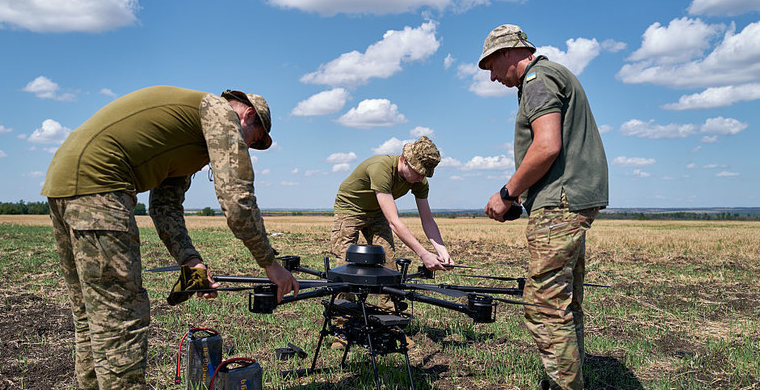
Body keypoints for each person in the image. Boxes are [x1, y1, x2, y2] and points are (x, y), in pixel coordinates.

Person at [41, 86, 300, 390]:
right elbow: (237, 201)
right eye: (249, 142)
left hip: (63, 184)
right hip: (100, 187)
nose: (242, 148)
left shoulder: (190, 132)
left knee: (93, 316)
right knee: (121, 317)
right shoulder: (220, 113)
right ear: (248, 116)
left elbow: (164, 206)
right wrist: (272, 265)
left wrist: (191, 261)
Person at [478, 25, 608, 390]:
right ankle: (567, 379)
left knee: (544, 305)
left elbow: (547, 145)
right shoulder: (555, 74)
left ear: (507, 52)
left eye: (490, 65)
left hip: (559, 202)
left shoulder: (537, 79)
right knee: (564, 303)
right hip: (573, 198)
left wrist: (507, 194)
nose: (491, 77)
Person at [330, 135, 454, 279]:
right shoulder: (381, 169)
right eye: (419, 172)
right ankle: (344, 301)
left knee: (388, 263)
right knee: (346, 265)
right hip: (350, 208)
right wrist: (424, 254)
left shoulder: (419, 181)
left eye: (425, 174)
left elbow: (427, 221)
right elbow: (394, 222)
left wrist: (443, 252)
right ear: (405, 160)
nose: (421, 178)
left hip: (376, 212)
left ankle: (388, 302)